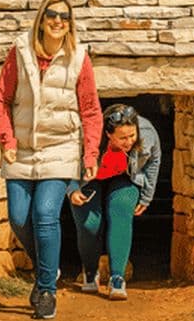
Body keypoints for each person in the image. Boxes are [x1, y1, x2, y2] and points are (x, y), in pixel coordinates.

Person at [0, 0, 102, 319]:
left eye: (64, 17)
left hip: (61, 146)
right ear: (41, 18)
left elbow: (91, 109)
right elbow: (1, 100)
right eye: (52, 15)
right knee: (19, 218)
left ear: (70, 23)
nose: (57, 21)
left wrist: (90, 153)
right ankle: (48, 268)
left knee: (45, 213)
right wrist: (7, 139)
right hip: (21, 148)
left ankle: (45, 291)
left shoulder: (79, 57)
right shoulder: (20, 51)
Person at [69, 103, 161, 300]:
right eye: (123, 138)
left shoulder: (147, 132)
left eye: (132, 136)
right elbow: (66, 160)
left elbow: (154, 160)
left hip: (126, 176)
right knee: (90, 224)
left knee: (120, 210)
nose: (129, 142)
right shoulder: (87, 135)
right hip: (89, 178)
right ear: (108, 134)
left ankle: (117, 277)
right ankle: (91, 271)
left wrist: (147, 196)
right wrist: (71, 189)